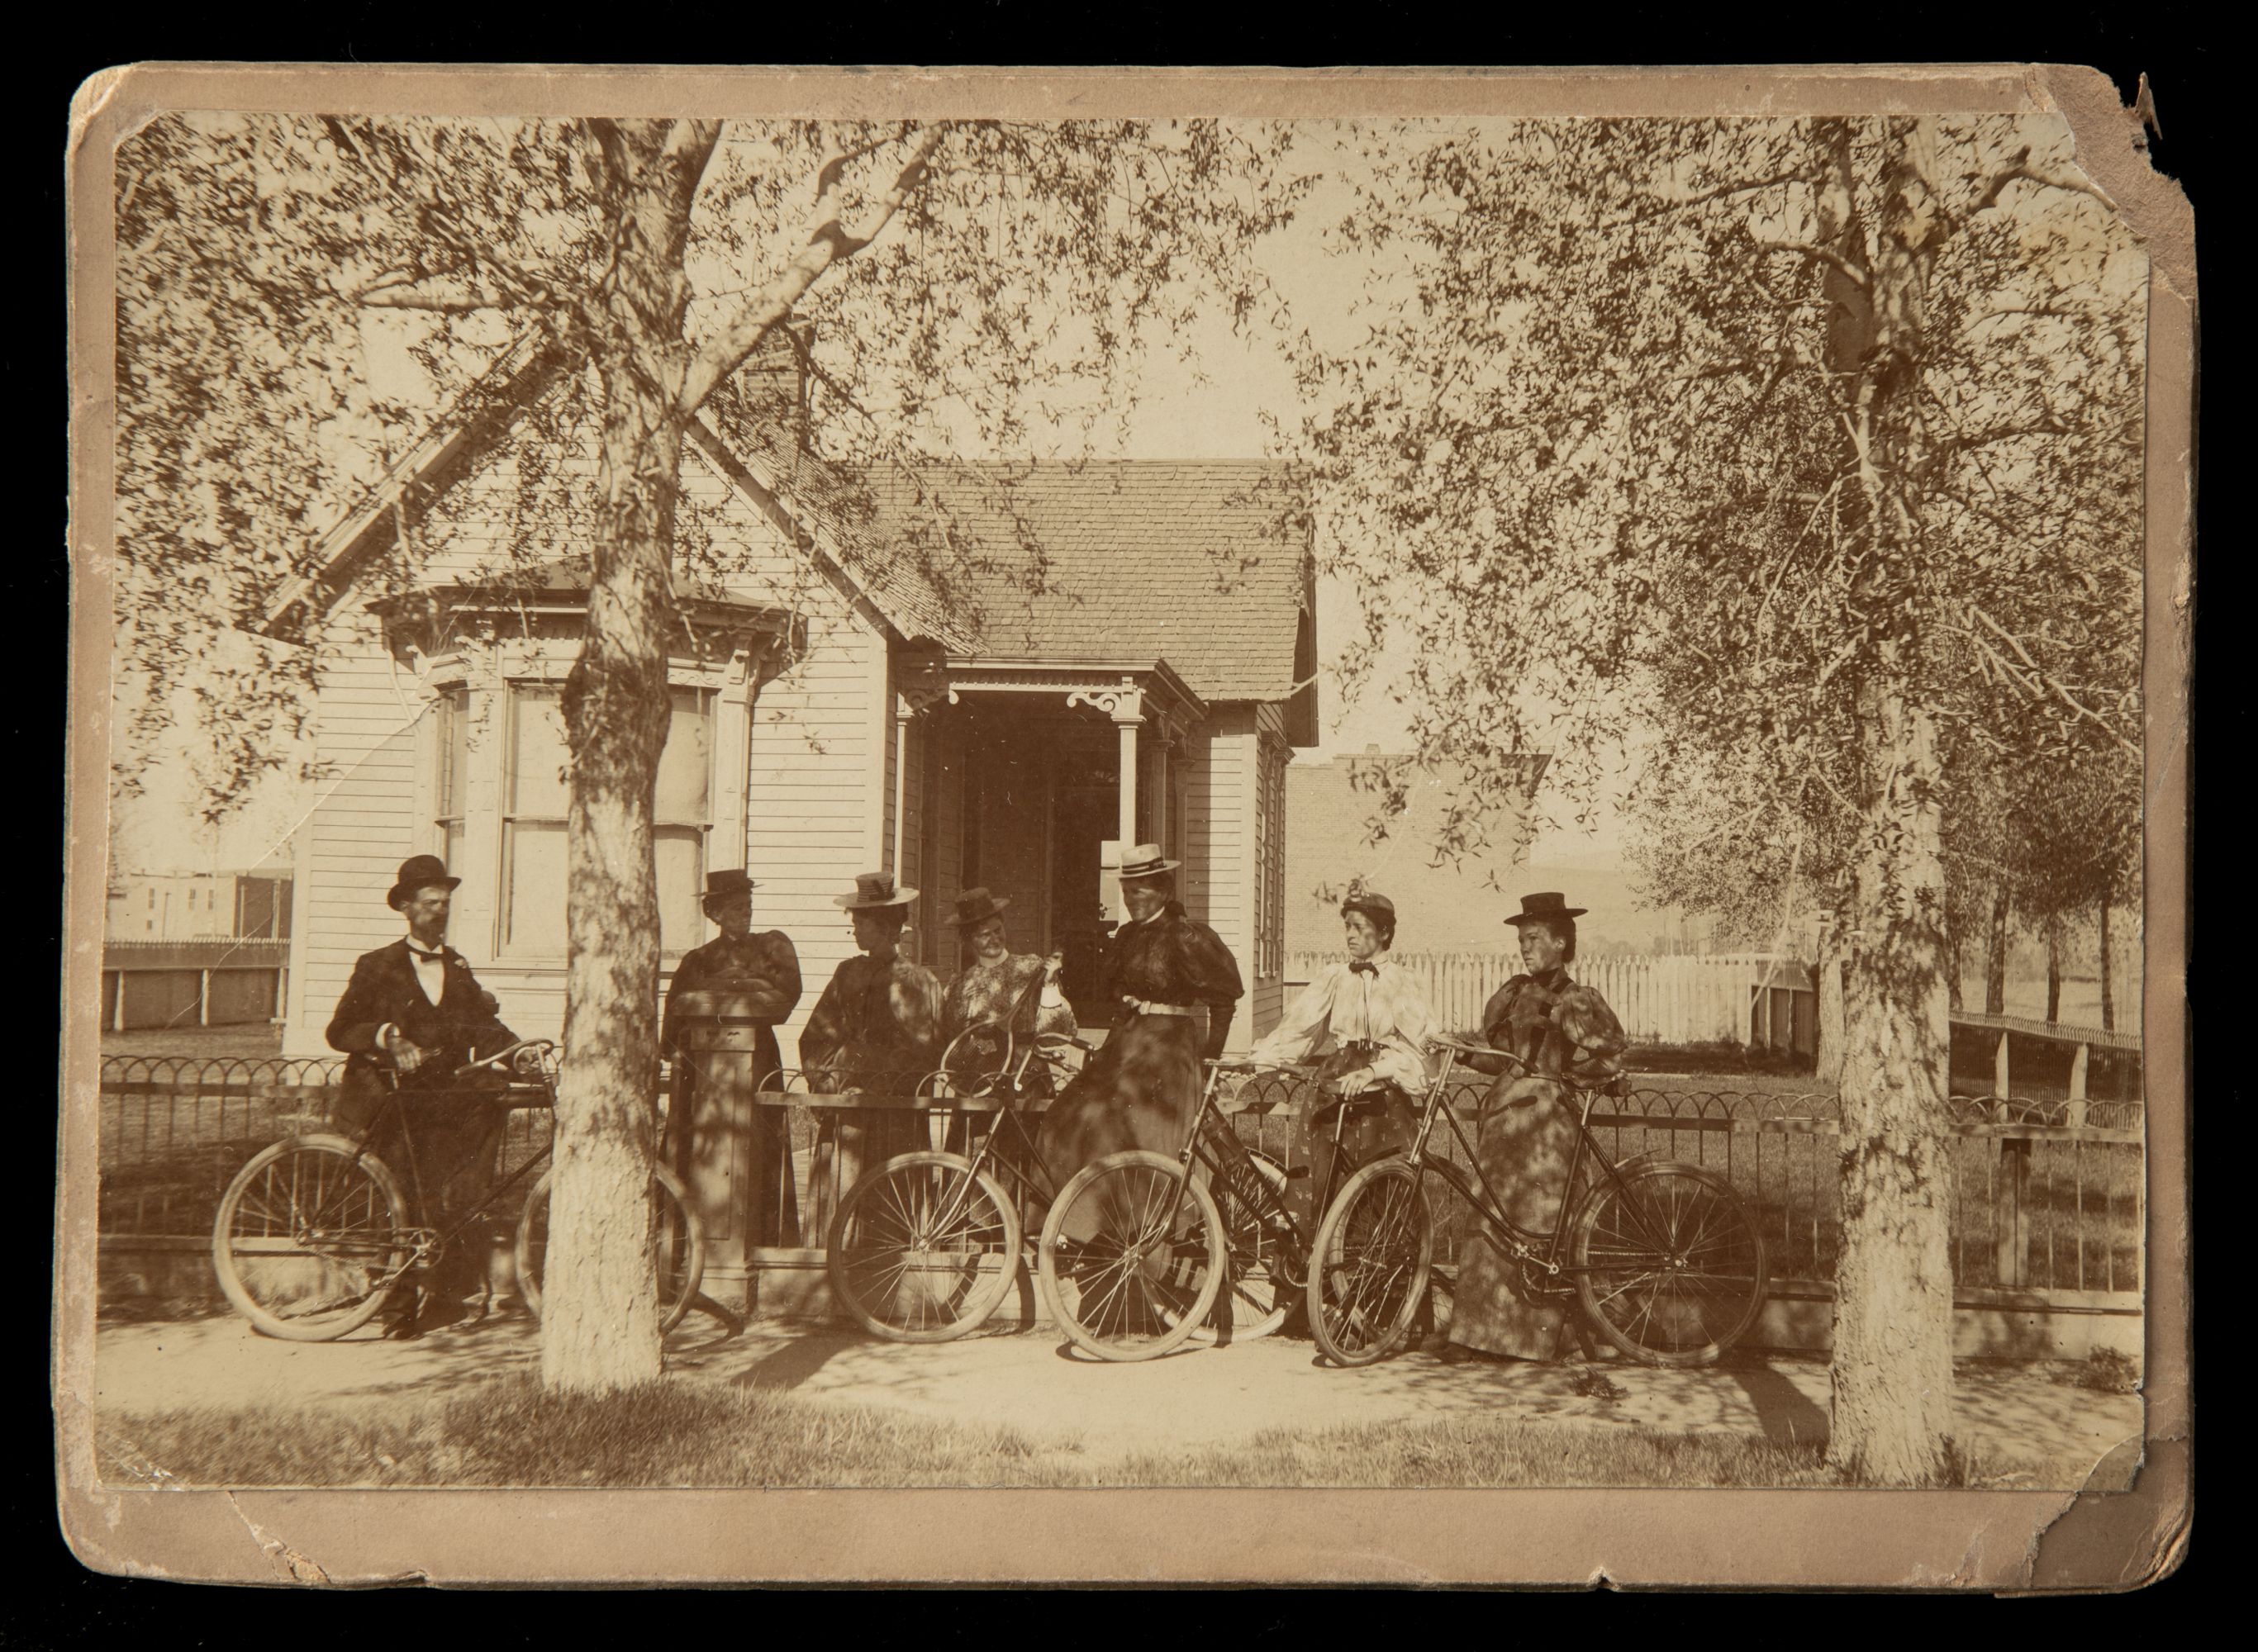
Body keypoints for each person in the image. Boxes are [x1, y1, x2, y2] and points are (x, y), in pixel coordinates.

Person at [326, 854, 527, 1336]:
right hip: (388, 1101)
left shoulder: (456, 966)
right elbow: (340, 1029)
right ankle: (395, 1313)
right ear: (407, 909)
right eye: (430, 904)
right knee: (399, 1200)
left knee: (446, 1196)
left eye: (445, 904)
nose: (439, 913)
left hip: (437, 1101)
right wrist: (389, 1038)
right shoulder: (377, 966)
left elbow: (484, 1026)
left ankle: (442, 1298)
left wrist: (520, 1054)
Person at [1443, 891, 1630, 1364]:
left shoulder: (1576, 999)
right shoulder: (1512, 993)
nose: (1524, 948)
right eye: (1521, 939)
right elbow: (1504, 1059)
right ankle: (1477, 1336)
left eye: (1533, 939)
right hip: (1504, 1122)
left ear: (1562, 943)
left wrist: (1575, 1079)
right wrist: (1463, 1052)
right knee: (1491, 1222)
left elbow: (1610, 1058)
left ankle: (1537, 1340)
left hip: (1547, 1127)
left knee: (1540, 1225)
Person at [1037, 844, 1244, 1191]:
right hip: (1132, 1041)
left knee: (1120, 1125)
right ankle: (1069, 1221)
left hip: (1169, 1047)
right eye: (1126, 891)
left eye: (1140, 890)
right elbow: (1119, 1000)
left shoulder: (1185, 935)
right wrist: (1107, 1050)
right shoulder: (1128, 936)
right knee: (1066, 1113)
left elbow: (1224, 1000)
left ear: (1163, 889)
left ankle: (1136, 1225)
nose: (1131, 899)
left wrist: (1209, 1057)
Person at [1243, 890, 1437, 1232]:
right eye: (1347, 926)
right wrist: (1257, 1062)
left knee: (1378, 1187)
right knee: (1322, 1178)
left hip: (1382, 1093)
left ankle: (1372, 1277)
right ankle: (1315, 1277)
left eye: (1359, 928)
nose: (1350, 935)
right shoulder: (1334, 977)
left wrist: (1377, 1070)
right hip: (1335, 1084)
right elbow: (1299, 1030)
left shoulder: (1402, 982)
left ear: (1384, 933)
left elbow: (1423, 1050)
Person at [660, 867, 802, 1245]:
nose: (746, 913)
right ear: (715, 914)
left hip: (757, 1062)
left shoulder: (771, 948)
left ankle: (762, 1242)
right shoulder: (698, 960)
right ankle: (686, 1247)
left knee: (759, 1150)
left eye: (748, 905)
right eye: (736, 907)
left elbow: (785, 998)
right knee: (699, 1151)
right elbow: (673, 1022)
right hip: (702, 1071)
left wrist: (739, 983)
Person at [798, 871, 944, 1170]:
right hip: (845, 1093)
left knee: (889, 1181)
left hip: (893, 1105)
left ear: (885, 926)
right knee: (843, 1175)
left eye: (861, 924)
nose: (856, 932)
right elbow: (818, 1034)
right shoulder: (847, 973)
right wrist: (827, 1082)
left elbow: (923, 1048)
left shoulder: (916, 980)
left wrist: (878, 1087)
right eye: (855, 924)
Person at [938, 886, 1077, 1098]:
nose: (994, 939)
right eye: (984, 935)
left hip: (1026, 1078)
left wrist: (1049, 985)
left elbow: (1056, 1034)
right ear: (969, 940)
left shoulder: (1032, 969)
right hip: (978, 1082)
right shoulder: (960, 984)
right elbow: (954, 1039)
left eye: (997, 930)